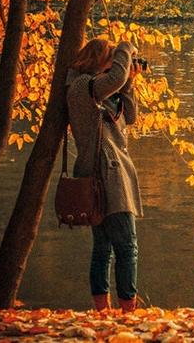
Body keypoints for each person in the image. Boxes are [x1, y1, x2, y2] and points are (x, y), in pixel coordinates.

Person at [66, 38, 143, 312]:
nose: (116, 65)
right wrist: (125, 47)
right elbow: (115, 77)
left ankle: (104, 311)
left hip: (111, 173)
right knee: (127, 247)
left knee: (105, 248)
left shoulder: (102, 93)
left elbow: (131, 117)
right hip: (103, 175)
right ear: (99, 60)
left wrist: (130, 83)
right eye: (111, 58)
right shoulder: (81, 87)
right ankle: (127, 310)